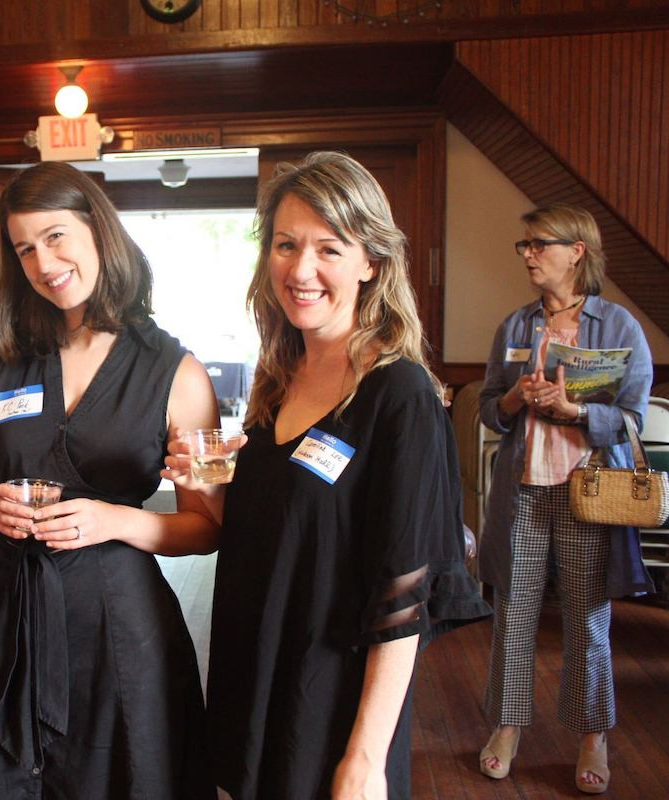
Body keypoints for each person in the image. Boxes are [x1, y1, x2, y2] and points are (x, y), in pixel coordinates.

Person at [190, 151, 489, 799]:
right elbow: (265, 542)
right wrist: (208, 486)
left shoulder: (398, 396)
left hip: (330, 706)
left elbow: (406, 596)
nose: (301, 270)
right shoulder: (276, 385)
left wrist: (365, 757)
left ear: (371, 263)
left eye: (329, 248)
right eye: (286, 245)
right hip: (258, 683)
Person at [0, 161, 219, 799]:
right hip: (5, 609)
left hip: (116, 619)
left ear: (98, 231)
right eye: (25, 248)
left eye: (55, 236)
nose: (43, 262)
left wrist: (115, 520)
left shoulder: (176, 371)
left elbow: (205, 527)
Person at [477, 203, 653, 794]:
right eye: (523, 246)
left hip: (589, 495)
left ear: (577, 250)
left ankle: (591, 734)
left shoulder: (619, 327)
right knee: (514, 615)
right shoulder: (515, 326)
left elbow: (630, 418)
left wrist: (574, 410)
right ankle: (507, 726)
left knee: (588, 621)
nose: (527, 254)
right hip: (523, 492)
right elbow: (488, 409)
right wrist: (514, 401)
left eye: (537, 244)